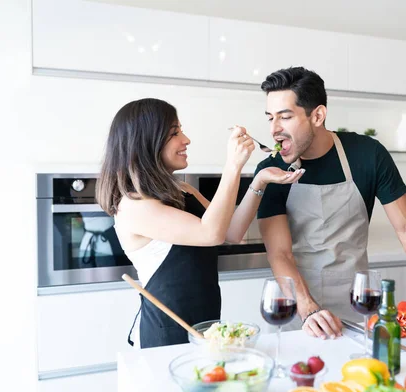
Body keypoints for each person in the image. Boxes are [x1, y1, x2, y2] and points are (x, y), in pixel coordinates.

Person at [253, 67, 406, 339]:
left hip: (357, 307)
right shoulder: (270, 170)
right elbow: (280, 253)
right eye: (270, 118)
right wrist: (308, 309)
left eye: (285, 117)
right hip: (297, 313)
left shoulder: (367, 154)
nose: (274, 130)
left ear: (317, 115)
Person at [96, 98, 303, 348]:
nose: (186, 139)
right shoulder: (133, 206)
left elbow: (232, 232)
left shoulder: (181, 190)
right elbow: (211, 234)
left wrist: (259, 181)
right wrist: (233, 165)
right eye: (174, 133)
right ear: (146, 141)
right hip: (166, 334)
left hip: (205, 325)